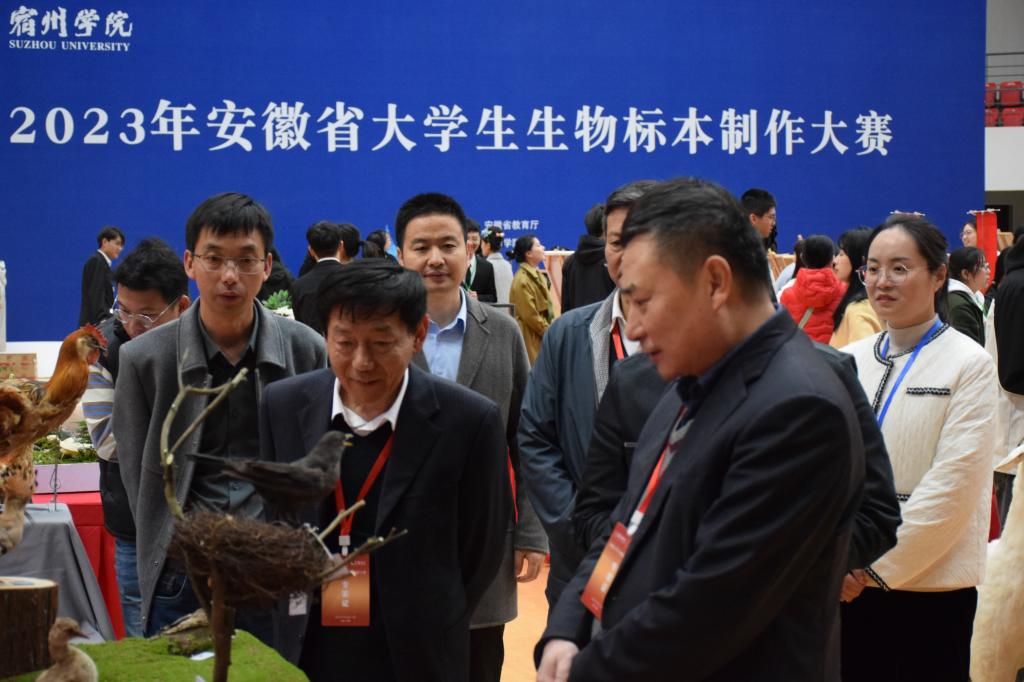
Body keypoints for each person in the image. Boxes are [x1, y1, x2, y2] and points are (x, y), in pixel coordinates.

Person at [537, 177, 863, 681]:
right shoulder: (688, 383)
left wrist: (584, 670)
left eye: (644, 301)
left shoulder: (798, 408)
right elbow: (626, 529)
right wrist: (572, 623)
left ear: (715, 282)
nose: (634, 327)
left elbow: (712, 606)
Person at [261, 260, 511, 682]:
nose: (361, 363)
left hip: (419, 650)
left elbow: (480, 550)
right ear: (325, 336)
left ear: (418, 335)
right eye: (345, 342)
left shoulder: (469, 421)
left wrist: (432, 611)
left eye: (381, 343)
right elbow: (278, 520)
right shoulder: (282, 406)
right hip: (310, 645)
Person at [112, 192, 327, 638]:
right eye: (214, 259)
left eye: (246, 260)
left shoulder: (306, 349)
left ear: (267, 267)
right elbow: (138, 473)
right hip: (183, 571)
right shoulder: (144, 359)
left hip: (275, 566)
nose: (229, 276)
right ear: (190, 263)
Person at [394, 192, 547, 682]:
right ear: (401, 254)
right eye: (421, 247)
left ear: (469, 249)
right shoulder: (382, 335)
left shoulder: (502, 332)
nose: (435, 259)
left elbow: (527, 436)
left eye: (448, 245)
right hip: (398, 541)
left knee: (480, 663)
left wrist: (531, 532)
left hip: (483, 538)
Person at [839, 214, 998, 682]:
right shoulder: (848, 360)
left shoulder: (969, 364)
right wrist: (833, 562)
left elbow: (953, 488)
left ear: (938, 275)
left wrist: (868, 569)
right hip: (844, 582)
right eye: (872, 268)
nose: (882, 281)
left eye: (900, 268)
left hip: (932, 590)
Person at [519, 179, 657, 608]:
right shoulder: (567, 334)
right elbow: (536, 438)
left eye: (644, 239)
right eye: (617, 241)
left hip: (674, 566)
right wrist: (583, 527)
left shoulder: (704, 340)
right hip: (581, 561)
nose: (627, 254)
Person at [81, 237, 190, 637]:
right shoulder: (102, 350)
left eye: (145, 317)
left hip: (198, 525)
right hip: (134, 524)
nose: (130, 326)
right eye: (123, 310)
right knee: (144, 636)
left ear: (182, 306)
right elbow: (108, 443)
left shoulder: (201, 347)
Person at [780, 234, 847, 343]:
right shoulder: (845, 292)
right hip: (834, 352)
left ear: (802, 258)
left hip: (801, 351)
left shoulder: (787, 294)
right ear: (832, 259)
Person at [831, 227, 884, 348]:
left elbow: (861, 357)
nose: (835, 261)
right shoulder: (875, 301)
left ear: (860, 259)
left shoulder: (859, 310)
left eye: (841, 254)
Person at [291, 221, 346, 333]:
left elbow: (300, 327)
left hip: (310, 343)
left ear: (311, 250)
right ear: (341, 246)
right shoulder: (354, 278)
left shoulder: (299, 286)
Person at [560, 204, 615, 312]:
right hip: (606, 322)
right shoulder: (613, 259)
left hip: (576, 322)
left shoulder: (570, 262)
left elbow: (565, 308)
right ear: (606, 228)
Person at [508, 234, 553, 364]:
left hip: (540, 337)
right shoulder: (522, 280)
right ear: (529, 254)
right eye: (538, 245)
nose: (543, 247)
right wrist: (549, 332)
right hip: (531, 339)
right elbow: (530, 316)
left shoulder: (537, 275)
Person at [78, 225, 125, 326]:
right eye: (117, 243)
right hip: (94, 327)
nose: (120, 248)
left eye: (121, 245)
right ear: (104, 242)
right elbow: (96, 294)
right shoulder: (96, 261)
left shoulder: (103, 263)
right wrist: (103, 319)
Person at [741, 188, 778, 301]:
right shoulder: (746, 255)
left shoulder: (757, 249)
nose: (773, 223)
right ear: (753, 218)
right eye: (770, 217)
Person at [947, 246, 988, 346]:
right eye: (983, 266)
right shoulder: (959, 306)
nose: (988, 271)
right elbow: (968, 349)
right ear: (966, 274)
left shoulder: (977, 297)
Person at [464, 220, 497, 302]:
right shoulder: (452, 264)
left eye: (474, 239)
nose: (470, 243)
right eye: (467, 239)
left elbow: (493, 298)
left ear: (480, 240)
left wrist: (478, 297)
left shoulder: (487, 266)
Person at [481, 228, 513, 305]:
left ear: (488, 245)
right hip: (509, 311)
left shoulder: (484, 266)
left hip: (491, 311)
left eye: (482, 243)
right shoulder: (508, 265)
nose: (481, 246)